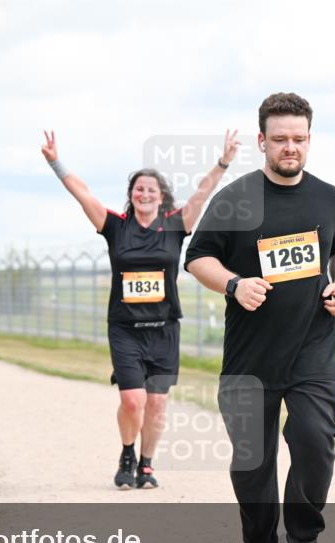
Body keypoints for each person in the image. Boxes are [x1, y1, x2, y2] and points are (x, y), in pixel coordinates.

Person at [185, 93, 335, 543]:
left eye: (299, 139)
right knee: (253, 463)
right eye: (280, 139)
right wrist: (234, 284)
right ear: (262, 141)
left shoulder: (329, 199)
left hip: (312, 351)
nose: (290, 147)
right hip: (250, 358)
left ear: (310, 140)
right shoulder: (236, 198)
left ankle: (304, 537)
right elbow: (197, 258)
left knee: (315, 441)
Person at [41, 129, 240, 489]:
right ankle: (127, 453)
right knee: (133, 401)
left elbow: (203, 193)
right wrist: (56, 162)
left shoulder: (176, 225)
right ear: (131, 195)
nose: (144, 193)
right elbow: (82, 193)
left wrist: (223, 161)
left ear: (161, 196)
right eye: (138, 189)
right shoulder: (115, 226)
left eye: (151, 189)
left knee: (157, 404)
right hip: (125, 330)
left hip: (164, 329)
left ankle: (146, 465)